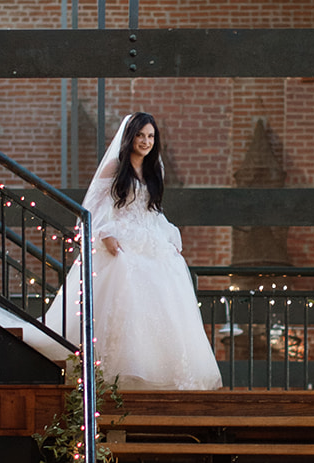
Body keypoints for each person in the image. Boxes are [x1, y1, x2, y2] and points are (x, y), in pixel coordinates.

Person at [47, 113, 222, 392]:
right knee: (125, 287)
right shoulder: (116, 167)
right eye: (141, 135)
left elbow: (153, 212)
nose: (146, 141)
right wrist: (105, 234)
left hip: (150, 240)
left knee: (168, 290)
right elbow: (90, 209)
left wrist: (169, 237)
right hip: (122, 242)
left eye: (151, 136)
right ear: (130, 137)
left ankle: (165, 373)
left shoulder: (155, 170)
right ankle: (117, 374)